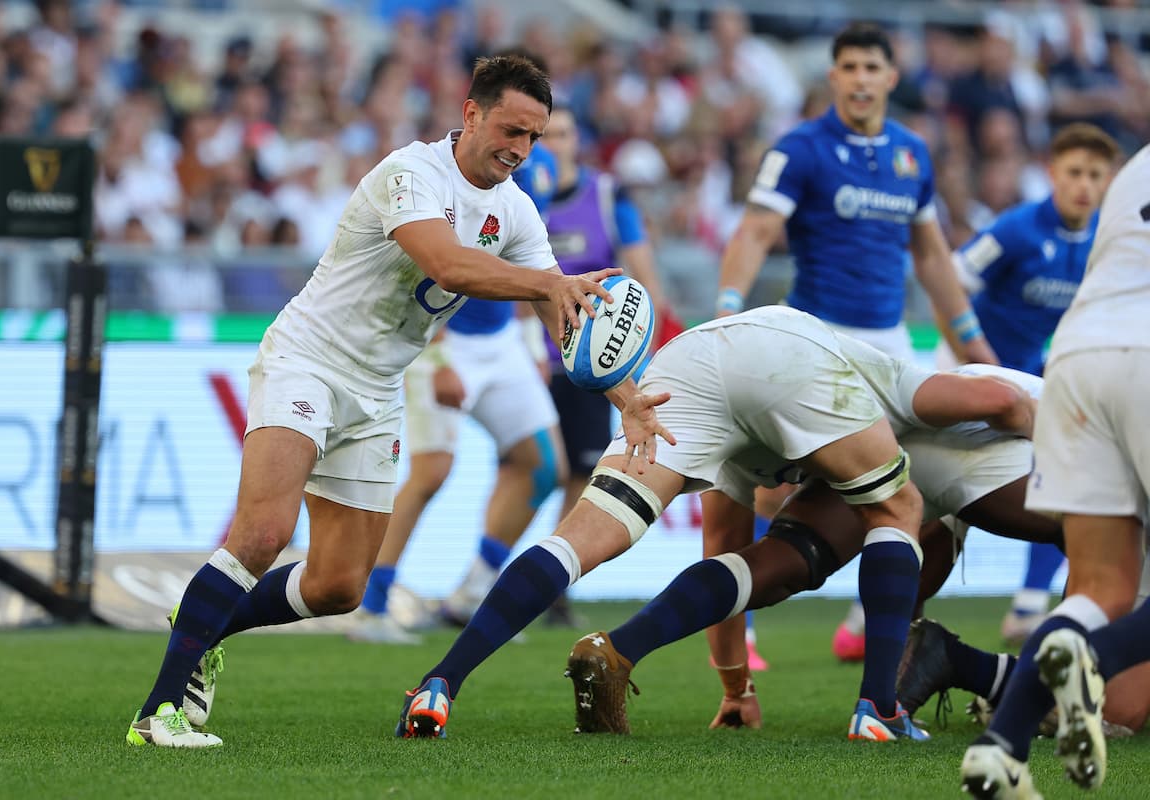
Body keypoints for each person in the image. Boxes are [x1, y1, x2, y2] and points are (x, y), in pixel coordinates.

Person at [123, 54, 670, 748]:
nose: (521, 149)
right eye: (511, 129)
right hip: (309, 361)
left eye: (535, 137)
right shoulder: (409, 174)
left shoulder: (517, 210)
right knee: (263, 534)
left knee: (336, 587)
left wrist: (624, 393)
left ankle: (203, 624)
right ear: (470, 114)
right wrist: (547, 284)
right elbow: (446, 264)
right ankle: (159, 710)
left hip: (377, 390)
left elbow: (565, 323)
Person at [395, 305, 1035, 741]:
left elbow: (726, 561)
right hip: (792, 356)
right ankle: (879, 710)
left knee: (578, 539)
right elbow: (997, 398)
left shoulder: (739, 455)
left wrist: (735, 688)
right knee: (899, 507)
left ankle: (438, 685)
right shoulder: (891, 377)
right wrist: (1058, 431)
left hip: (685, 367)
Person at [714, 23, 998, 662]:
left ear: (891, 78)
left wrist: (973, 345)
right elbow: (758, 230)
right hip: (816, 341)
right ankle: (741, 630)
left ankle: (869, 623)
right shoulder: (802, 148)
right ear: (835, 77)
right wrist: (728, 308)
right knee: (766, 486)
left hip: (890, 346)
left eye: (873, 67)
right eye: (850, 67)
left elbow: (931, 258)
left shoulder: (911, 155)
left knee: (917, 491)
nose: (862, 79)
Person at [698, 364, 1053, 733]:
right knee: (889, 518)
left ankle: (912, 676)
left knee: (870, 525)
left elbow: (1003, 397)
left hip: (962, 411)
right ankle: (898, 688)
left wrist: (737, 687)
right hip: (948, 410)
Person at [960, 144, 1150, 798]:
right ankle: (1092, 660)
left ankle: (1002, 749)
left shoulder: (1134, 170)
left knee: (1099, 589)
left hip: (1074, 360)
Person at [346, 141, 566, 642]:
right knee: (432, 471)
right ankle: (372, 607)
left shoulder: (539, 173)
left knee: (544, 463)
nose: (532, 145)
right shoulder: (451, 172)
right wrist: (439, 357)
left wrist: (533, 340)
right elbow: (430, 263)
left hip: (502, 338)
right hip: (442, 337)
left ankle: (474, 592)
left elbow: (530, 264)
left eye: (549, 132)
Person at [940, 123, 1119, 646]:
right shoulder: (1014, 230)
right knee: (944, 504)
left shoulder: (1109, 240)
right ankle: (873, 611)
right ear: (1052, 173)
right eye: (1074, 173)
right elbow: (951, 282)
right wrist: (971, 361)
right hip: (981, 385)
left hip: (1047, 392)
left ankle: (1028, 606)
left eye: (1094, 175)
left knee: (1066, 483)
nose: (1083, 185)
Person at [538, 106, 678, 626]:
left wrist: (650, 345)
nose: (554, 143)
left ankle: (553, 582)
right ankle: (498, 577)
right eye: (545, 135)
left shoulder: (606, 196)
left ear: (579, 141)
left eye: (564, 133)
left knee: (579, 469)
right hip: (537, 358)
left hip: (595, 366)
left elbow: (642, 277)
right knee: (538, 465)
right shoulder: (518, 197)